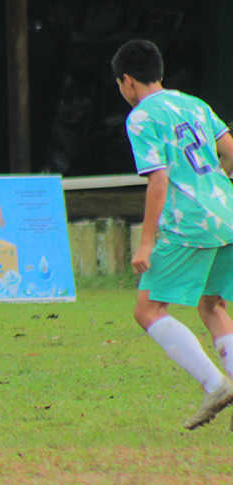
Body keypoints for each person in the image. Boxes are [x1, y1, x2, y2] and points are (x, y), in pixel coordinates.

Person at [112, 38, 233, 429]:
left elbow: (159, 181)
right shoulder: (192, 103)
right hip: (226, 213)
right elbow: (229, 150)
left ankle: (216, 384)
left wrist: (146, 242)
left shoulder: (142, 117)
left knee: (147, 310)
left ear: (127, 80)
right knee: (212, 305)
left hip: (189, 224)